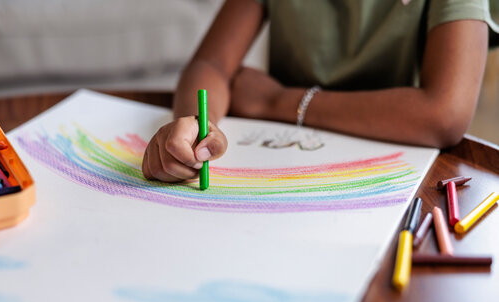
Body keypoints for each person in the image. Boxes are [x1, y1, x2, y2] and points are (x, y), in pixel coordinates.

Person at [142, 0, 499, 183]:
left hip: (394, 168)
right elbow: (212, 66)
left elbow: (445, 113)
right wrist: (194, 123)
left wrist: (277, 101)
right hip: (281, 160)